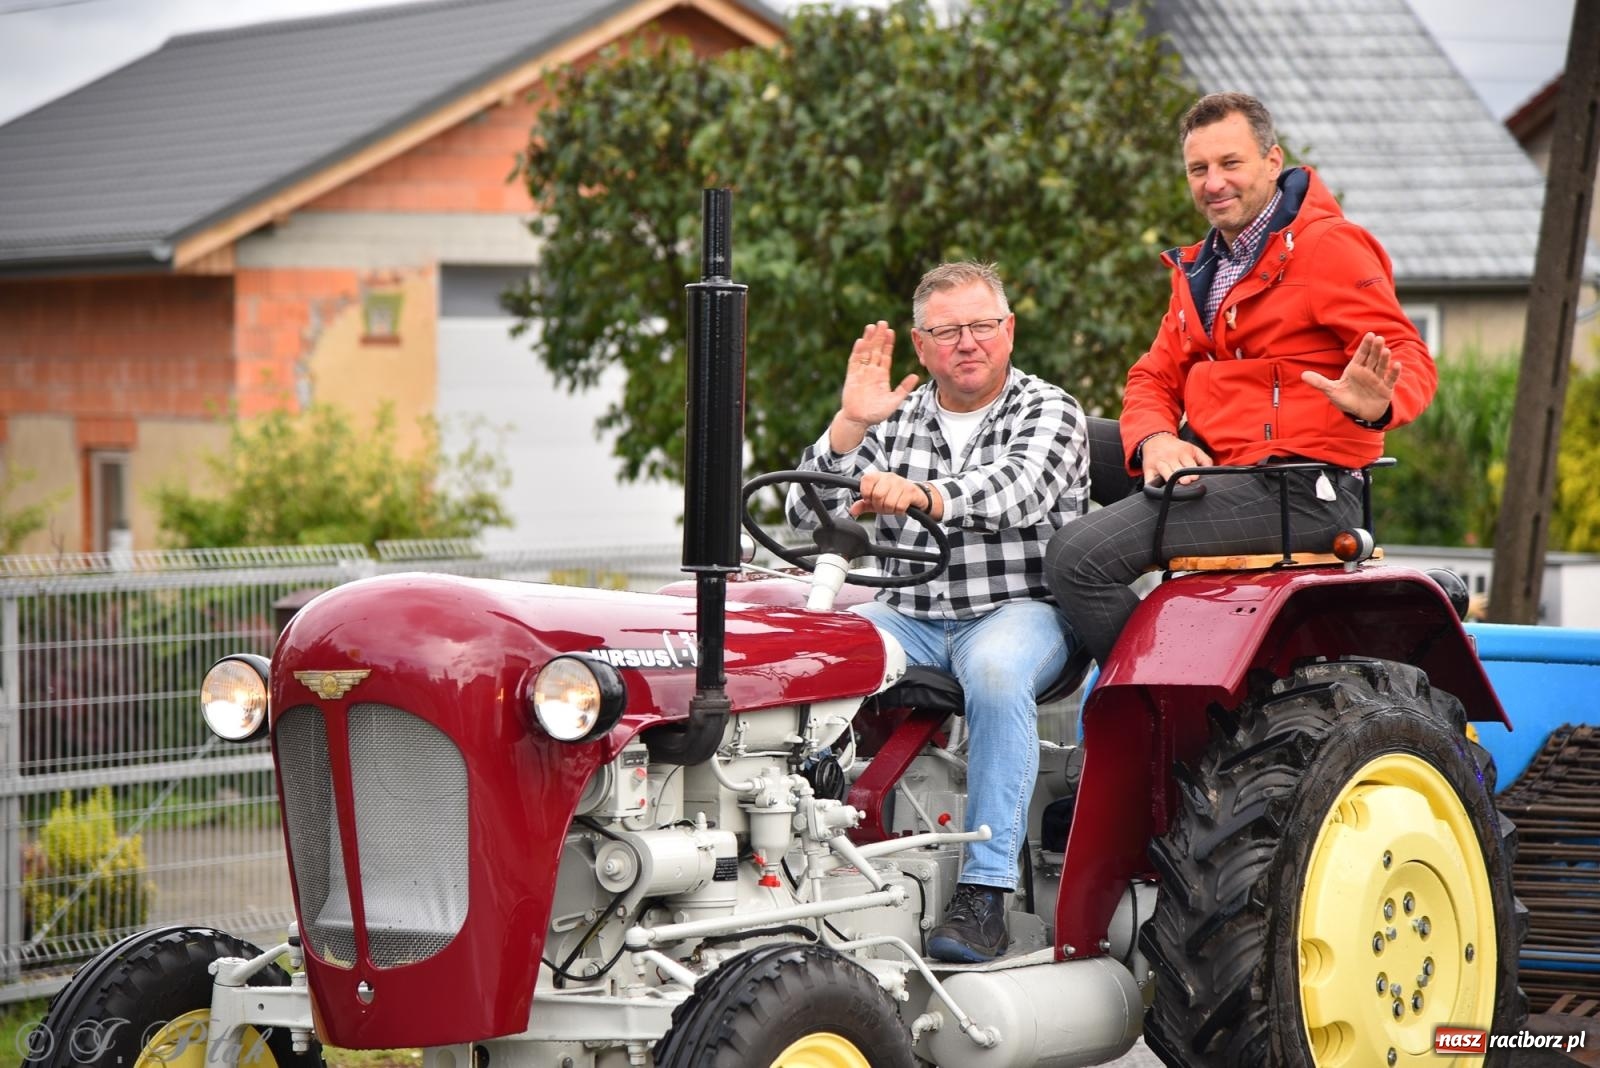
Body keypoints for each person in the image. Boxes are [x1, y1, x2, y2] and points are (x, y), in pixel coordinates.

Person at [1045, 92, 1437, 665]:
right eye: (1198, 169)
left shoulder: (1330, 248)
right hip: (1221, 466)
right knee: (1058, 441)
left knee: (1076, 557)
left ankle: (1169, 705)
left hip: (1301, 488)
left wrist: (1374, 406)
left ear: (1272, 162)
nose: (1213, 182)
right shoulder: (1205, 266)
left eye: (1230, 163)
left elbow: (1409, 355)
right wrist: (1156, 438)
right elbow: (1153, 375)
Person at [786, 261, 1089, 963]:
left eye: (982, 326)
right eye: (947, 331)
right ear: (922, 348)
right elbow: (804, 510)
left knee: (993, 671)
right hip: (912, 612)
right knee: (815, 657)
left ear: (1008, 331)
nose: (968, 343)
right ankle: (801, 851)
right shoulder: (895, 420)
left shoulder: (1047, 409)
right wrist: (848, 427)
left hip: (1021, 609)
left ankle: (986, 893)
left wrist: (923, 496)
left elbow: (1018, 490)